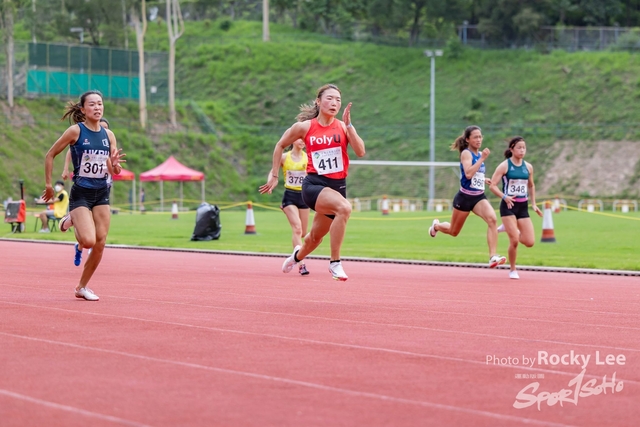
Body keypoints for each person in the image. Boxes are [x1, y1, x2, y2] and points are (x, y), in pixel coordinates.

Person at [259, 83, 365, 281]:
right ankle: (335, 263)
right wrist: (274, 175)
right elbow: (280, 145)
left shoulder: (343, 127)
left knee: (315, 238)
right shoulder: (305, 127)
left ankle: (296, 257)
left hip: (337, 188)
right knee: (344, 208)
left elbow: (360, 151)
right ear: (318, 101)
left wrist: (350, 126)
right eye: (329, 98)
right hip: (314, 185)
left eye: (338, 100)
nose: (334, 103)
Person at [42, 90, 125, 301]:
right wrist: (49, 184)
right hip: (81, 193)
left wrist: (116, 166)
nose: (97, 107)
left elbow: (113, 170)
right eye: (92, 104)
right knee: (88, 241)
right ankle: (73, 218)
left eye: (100, 104)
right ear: (83, 109)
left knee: (100, 242)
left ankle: (81, 287)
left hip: (101, 192)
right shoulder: (75, 131)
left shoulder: (109, 135)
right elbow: (50, 154)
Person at [428, 125, 507, 268]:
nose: (479, 139)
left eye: (480, 137)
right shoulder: (466, 153)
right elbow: (468, 173)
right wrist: (482, 159)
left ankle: (493, 256)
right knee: (453, 231)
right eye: (475, 137)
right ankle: (437, 226)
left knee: (492, 219)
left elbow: (474, 174)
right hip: (464, 198)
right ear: (467, 139)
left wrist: (483, 179)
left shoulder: (480, 154)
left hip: (478, 197)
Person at [489, 136, 543, 279]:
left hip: (522, 207)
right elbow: (492, 185)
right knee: (514, 241)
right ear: (512, 149)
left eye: (524, 148)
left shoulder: (528, 167)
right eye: (519, 147)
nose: (522, 150)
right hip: (508, 206)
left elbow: (531, 185)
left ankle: (507, 228)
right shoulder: (504, 166)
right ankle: (513, 269)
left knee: (529, 242)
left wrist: (534, 204)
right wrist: (504, 197)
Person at [278, 138, 311, 275]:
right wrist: (271, 180)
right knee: (297, 229)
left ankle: (295, 256)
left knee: (303, 233)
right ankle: (301, 264)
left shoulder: (308, 157)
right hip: (290, 196)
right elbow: (273, 170)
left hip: (304, 197)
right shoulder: (284, 157)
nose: (302, 141)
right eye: (299, 139)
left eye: (304, 139)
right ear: (292, 140)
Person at [61, 118, 110, 182]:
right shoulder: (87, 138)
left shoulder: (109, 141)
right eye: (101, 127)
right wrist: (66, 168)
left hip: (103, 181)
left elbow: (113, 163)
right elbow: (71, 151)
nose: (104, 129)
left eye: (106, 128)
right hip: (84, 181)